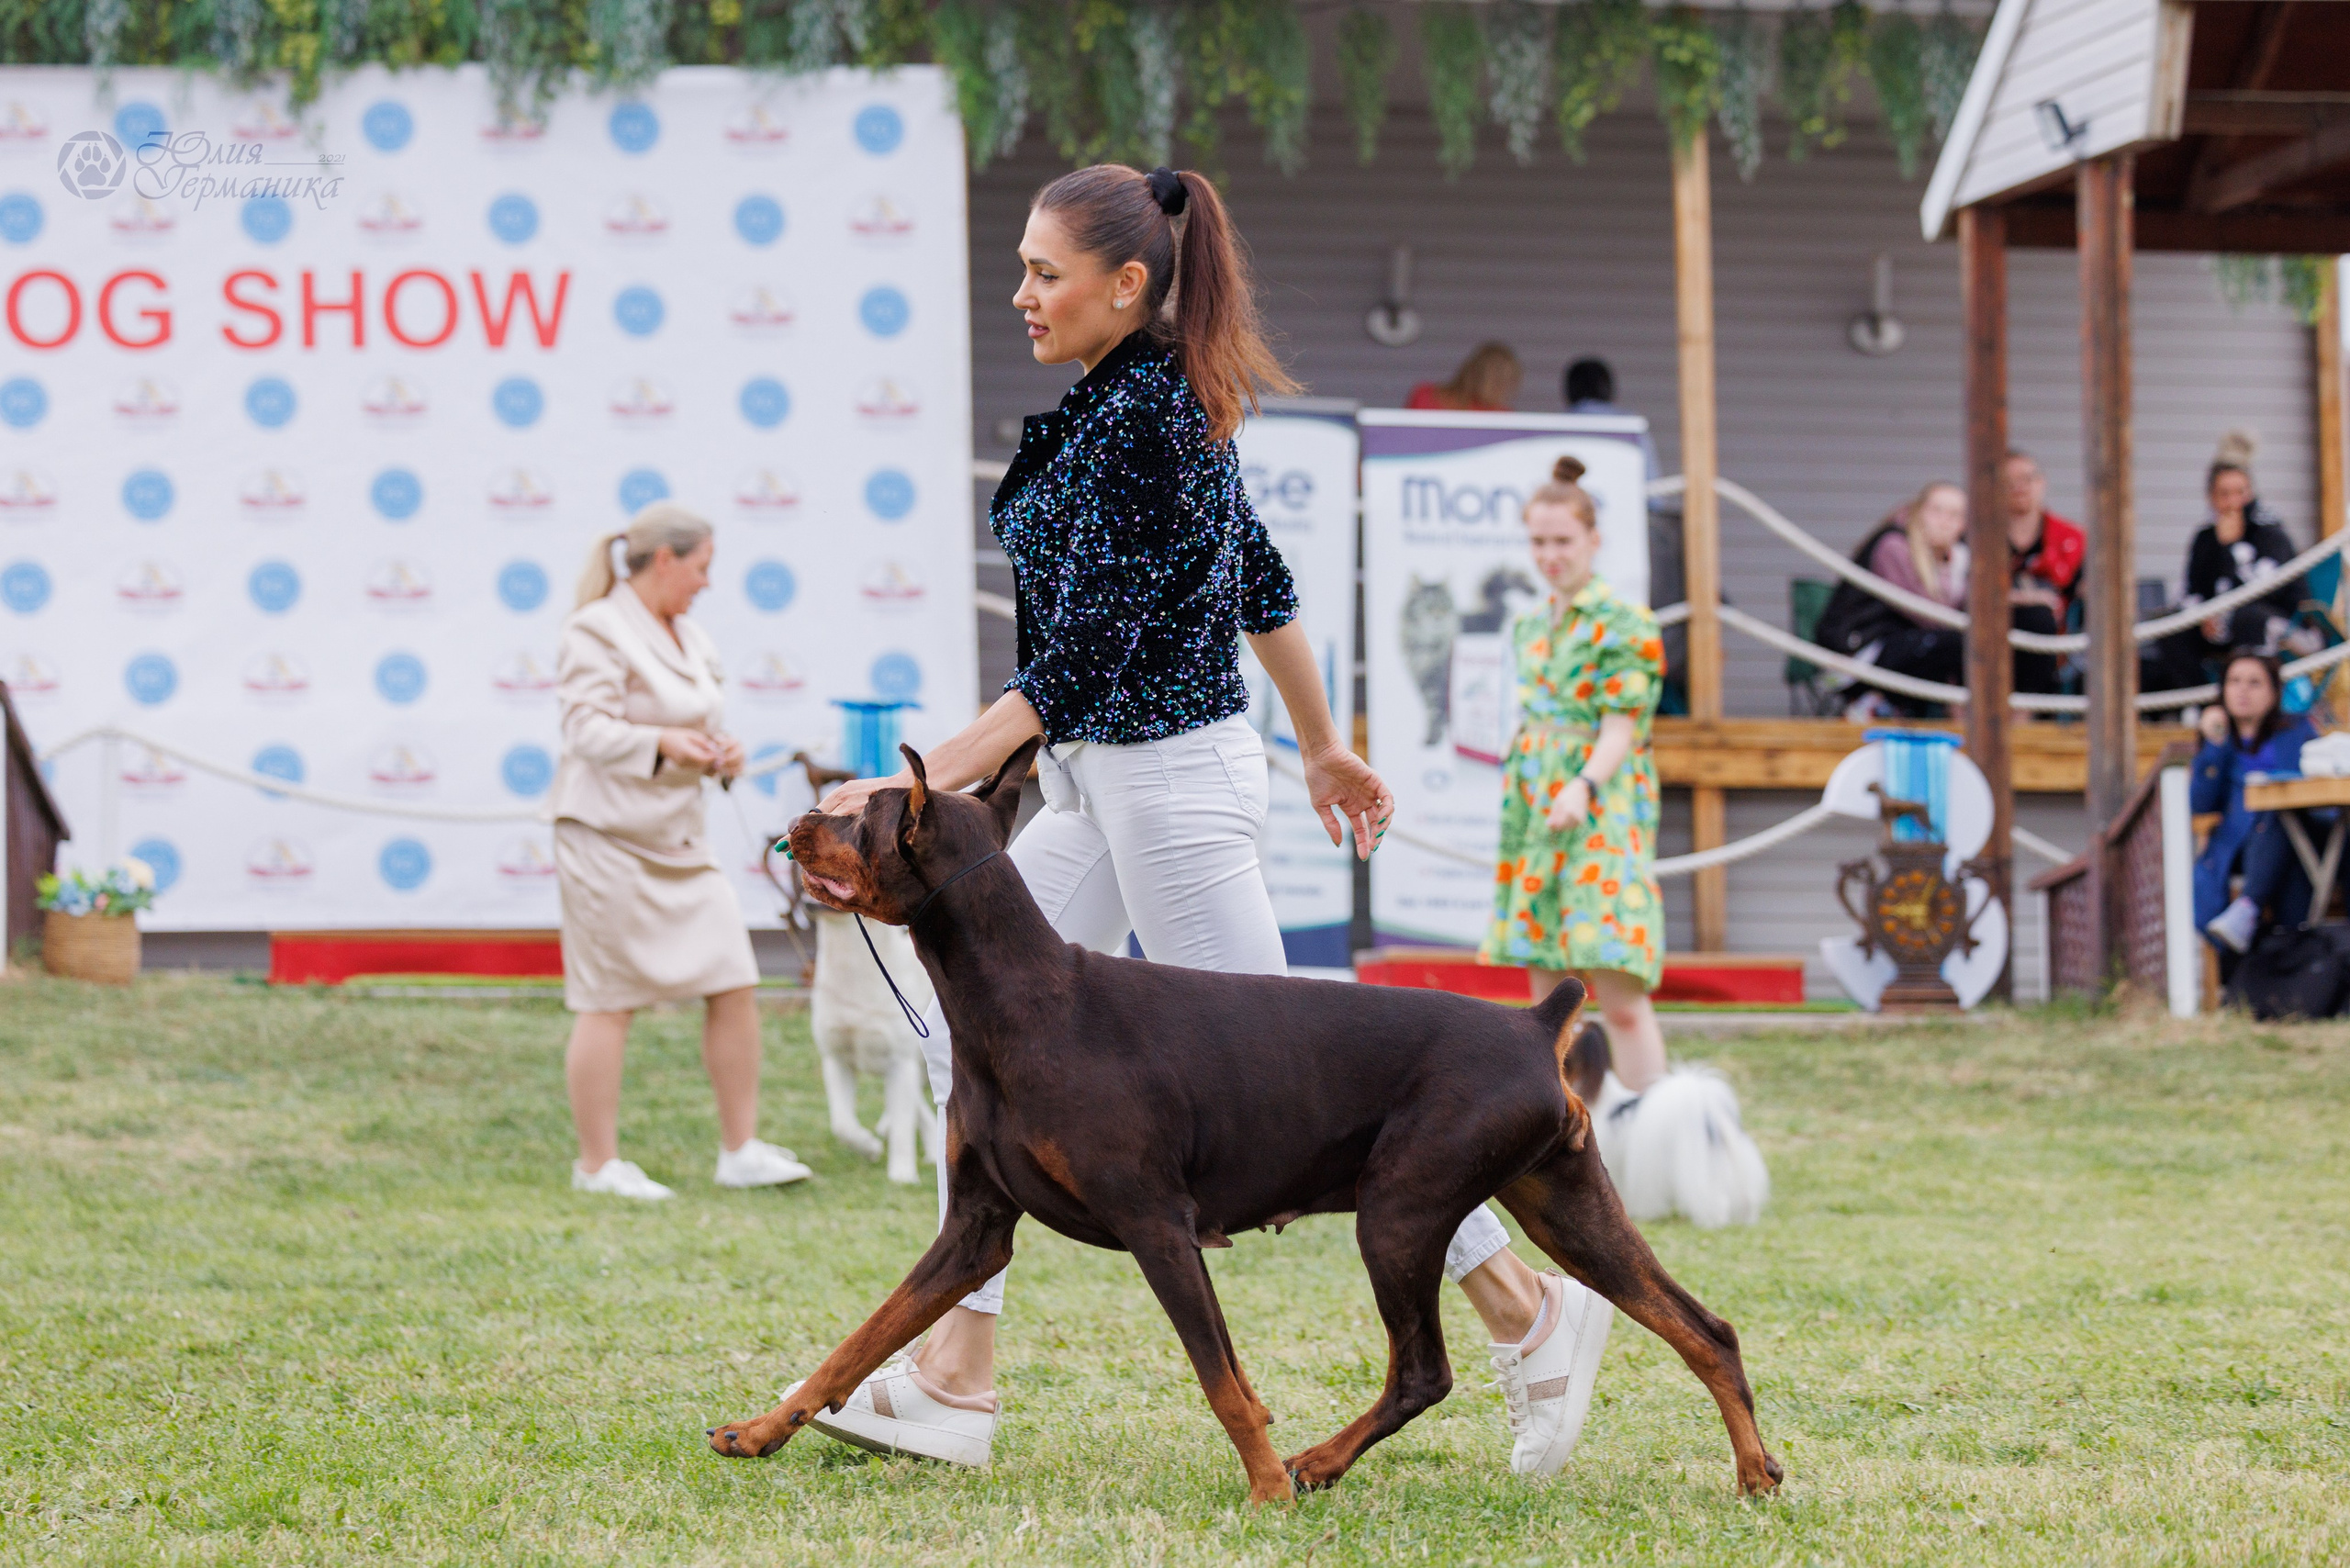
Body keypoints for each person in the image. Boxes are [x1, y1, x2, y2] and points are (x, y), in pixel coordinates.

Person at [792, 163, 1608, 1480]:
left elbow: (1091, 655)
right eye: (1020, 268)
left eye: (1044, 272)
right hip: (1100, 785)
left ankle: (1527, 1314)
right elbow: (1260, 584)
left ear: (1127, 283)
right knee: (968, 1032)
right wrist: (1325, 745)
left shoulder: (1158, 416)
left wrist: (923, 780)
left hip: (1171, 788)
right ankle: (955, 1377)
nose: (1021, 293)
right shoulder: (1127, 406)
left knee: (1314, 1090)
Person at [1481, 457, 1766, 1231]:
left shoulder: (1626, 622)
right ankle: (1561, 1158)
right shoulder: (1531, 624)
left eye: (1562, 541)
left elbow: (1621, 726)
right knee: (1547, 1005)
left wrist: (1582, 784)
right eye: (1539, 542)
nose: (1550, 555)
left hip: (1597, 813)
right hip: (1537, 809)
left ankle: (1660, 1159)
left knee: (1619, 990)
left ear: (1593, 539)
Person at [552, 504, 811, 1200]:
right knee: (609, 999)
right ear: (664, 560)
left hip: (680, 839)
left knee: (734, 980)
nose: (707, 583)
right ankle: (597, 1166)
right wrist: (664, 742)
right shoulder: (594, 628)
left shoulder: (690, 634)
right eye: (701, 568)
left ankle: (740, 1151)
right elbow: (583, 731)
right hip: (605, 839)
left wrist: (722, 751)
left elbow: (697, 724)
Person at [1563, 356, 1680, 710]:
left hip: (1573, 556)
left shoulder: (1560, 426)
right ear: (1610, 391)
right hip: (1626, 552)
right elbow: (1654, 498)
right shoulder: (1630, 428)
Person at [2192, 650, 2321, 957]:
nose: (2242, 691)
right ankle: (2290, 952)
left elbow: (2319, 774)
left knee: (2282, 819)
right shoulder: (2220, 741)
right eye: (2234, 681)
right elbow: (2200, 803)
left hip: (2301, 835)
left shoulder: (2298, 730)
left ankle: (2248, 909)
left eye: (2254, 683)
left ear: (2274, 692)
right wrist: (2215, 743)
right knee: (2277, 823)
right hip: (2240, 844)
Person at [1812, 481, 1970, 719]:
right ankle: (1874, 703)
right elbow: (1930, 617)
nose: (1945, 521)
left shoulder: (1960, 555)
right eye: (1937, 511)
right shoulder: (1894, 545)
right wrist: (1953, 567)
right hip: (1857, 654)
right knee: (1951, 642)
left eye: (1955, 515)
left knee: (1963, 642)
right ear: (1918, 512)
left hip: (1902, 652)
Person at [2002, 450, 2083, 697]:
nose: (2019, 487)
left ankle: (2026, 711)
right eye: (2009, 481)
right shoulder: (1976, 536)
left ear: (2042, 482)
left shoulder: (2070, 538)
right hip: (1991, 634)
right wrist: (2023, 598)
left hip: (2051, 640)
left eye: (2027, 479)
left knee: (2038, 620)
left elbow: (2084, 588)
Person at [1406, 340, 1522, 410]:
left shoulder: (1502, 418)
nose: (1503, 389)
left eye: (1509, 381)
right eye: (1497, 380)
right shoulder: (1425, 395)